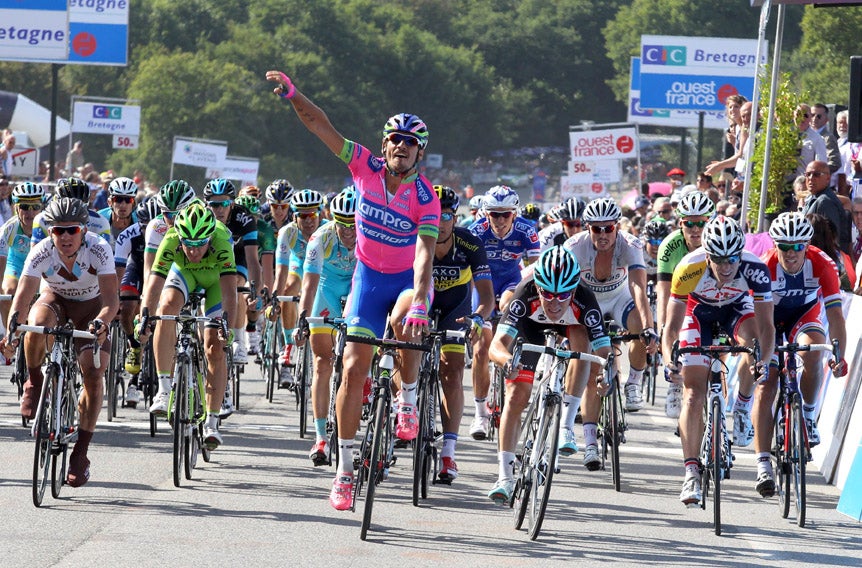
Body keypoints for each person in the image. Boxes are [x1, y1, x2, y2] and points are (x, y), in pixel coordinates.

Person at [265, 69, 440, 511]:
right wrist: (295, 95)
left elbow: (424, 255)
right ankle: (344, 471)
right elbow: (321, 126)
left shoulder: (426, 196)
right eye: (394, 139)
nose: (401, 145)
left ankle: (410, 397)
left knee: (407, 319)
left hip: (406, 283)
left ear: (421, 151)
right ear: (384, 145)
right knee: (352, 368)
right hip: (367, 281)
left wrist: (420, 299)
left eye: (410, 141)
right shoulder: (363, 165)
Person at [662, 215, 774, 507]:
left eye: (732, 260)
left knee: (754, 346)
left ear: (741, 253)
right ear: (708, 254)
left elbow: (767, 328)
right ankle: (690, 472)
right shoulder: (689, 267)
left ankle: (742, 405)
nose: (726, 267)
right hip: (698, 313)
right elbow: (670, 327)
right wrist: (669, 360)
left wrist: (763, 359)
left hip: (736, 309)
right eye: (719, 260)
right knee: (693, 392)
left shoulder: (756, 268)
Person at [4, 198, 118, 487]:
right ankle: (34, 381)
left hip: (92, 308)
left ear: (82, 230)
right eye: (58, 231)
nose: (65, 236)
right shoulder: (41, 251)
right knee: (37, 325)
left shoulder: (99, 249)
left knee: (93, 374)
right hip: (56, 300)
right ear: (51, 232)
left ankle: (80, 453)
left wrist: (103, 323)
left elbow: (112, 300)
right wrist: (11, 331)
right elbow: (23, 295)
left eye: (72, 230)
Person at [486, 246, 610, 503]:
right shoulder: (525, 292)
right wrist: (508, 361)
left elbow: (603, 352)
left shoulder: (585, 298)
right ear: (537, 287)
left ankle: (565, 424)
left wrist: (603, 376)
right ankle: (505, 477)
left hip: (571, 327)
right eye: (547, 294)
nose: (554, 302)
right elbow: (496, 346)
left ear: (574, 290)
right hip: (530, 326)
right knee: (516, 395)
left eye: (563, 295)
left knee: (581, 338)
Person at [752, 212, 848, 497]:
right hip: (769, 320)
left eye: (797, 246)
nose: (791, 253)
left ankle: (806, 414)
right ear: (775, 245)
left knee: (814, 351)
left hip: (803, 316)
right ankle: (762, 463)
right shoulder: (764, 267)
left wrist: (838, 353)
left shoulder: (822, 264)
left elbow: (836, 316)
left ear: (807, 245)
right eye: (784, 246)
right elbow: (762, 321)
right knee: (766, 383)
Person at [561, 197, 656, 470]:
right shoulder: (574, 247)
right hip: (587, 301)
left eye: (608, 228)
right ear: (587, 228)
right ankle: (590, 442)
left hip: (618, 299)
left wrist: (648, 328)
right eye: (596, 229)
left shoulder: (631, 245)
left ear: (617, 227)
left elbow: (639, 288)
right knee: (591, 368)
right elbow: (566, 290)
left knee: (639, 324)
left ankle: (634, 382)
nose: (603, 235)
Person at [139, 202, 237, 449]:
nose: (194, 251)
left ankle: (212, 423)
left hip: (215, 281)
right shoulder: (171, 238)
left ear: (209, 238)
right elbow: (155, 282)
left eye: (200, 244)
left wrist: (228, 326)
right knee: (166, 307)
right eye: (188, 245)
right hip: (185, 275)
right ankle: (163, 389)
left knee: (215, 346)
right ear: (180, 237)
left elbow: (229, 290)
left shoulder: (222, 239)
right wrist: (145, 317)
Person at [428, 185, 495, 481]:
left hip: (456, 309)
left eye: (445, 215)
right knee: (402, 354)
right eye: (432, 214)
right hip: (423, 304)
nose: (439, 222)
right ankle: (399, 413)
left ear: (455, 218)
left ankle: (448, 453)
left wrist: (479, 319)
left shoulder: (470, 244)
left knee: (452, 374)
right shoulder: (416, 240)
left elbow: (487, 297)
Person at [467, 184, 540, 440]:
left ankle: (509, 341)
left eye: (505, 214)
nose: (499, 220)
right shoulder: (476, 231)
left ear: (514, 214)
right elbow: (465, 270)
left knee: (508, 303)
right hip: (482, 282)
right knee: (480, 348)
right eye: (494, 214)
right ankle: (480, 413)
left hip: (511, 280)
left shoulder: (526, 232)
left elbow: (535, 269)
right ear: (485, 214)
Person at [295, 188, 358, 465]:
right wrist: (302, 318)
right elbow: (309, 283)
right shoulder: (320, 238)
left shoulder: (370, 236)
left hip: (357, 289)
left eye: (353, 223)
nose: (348, 230)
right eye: (342, 223)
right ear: (332, 219)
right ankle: (320, 437)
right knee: (321, 362)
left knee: (360, 359)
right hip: (327, 291)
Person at [654, 191, 715, 418]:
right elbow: (663, 291)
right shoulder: (670, 246)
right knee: (676, 331)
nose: (696, 229)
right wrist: (664, 330)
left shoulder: (719, 241)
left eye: (701, 223)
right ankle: (675, 380)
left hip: (712, 298)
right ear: (681, 223)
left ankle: (717, 386)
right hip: (681, 297)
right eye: (689, 224)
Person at [203, 178, 261, 368]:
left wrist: (255, 290)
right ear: (207, 204)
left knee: (235, 286)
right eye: (214, 204)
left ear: (233, 203)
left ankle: (238, 340)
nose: (219, 209)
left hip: (237, 259)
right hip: (210, 260)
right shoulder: (202, 218)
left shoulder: (244, 219)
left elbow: (253, 259)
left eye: (225, 204)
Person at [274, 188, 324, 386]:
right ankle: (288, 344)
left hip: (322, 271)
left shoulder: (327, 230)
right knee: (289, 289)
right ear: (295, 216)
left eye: (313, 214)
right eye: (303, 215)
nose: (309, 220)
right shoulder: (287, 232)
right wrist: (275, 298)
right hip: (298, 266)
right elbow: (281, 271)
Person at [115, 197, 162, 406]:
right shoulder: (128, 235)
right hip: (136, 269)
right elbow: (118, 271)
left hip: (162, 271)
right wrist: (115, 299)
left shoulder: (170, 233)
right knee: (127, 306)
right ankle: (134, 346)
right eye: (145, 226)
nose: (150, 230)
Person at [0, 182, 45, 328]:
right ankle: (10, 337)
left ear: (42, 207)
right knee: (7, 293)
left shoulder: (48, 227)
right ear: (15, 206)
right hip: (16, 266)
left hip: (42, 269)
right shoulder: (8, 229)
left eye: (35, 207)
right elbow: (1, 264)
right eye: (24, 207)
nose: (30, 213)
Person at [31, 177, 112, 247]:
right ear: (56, 202)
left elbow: (104, 260)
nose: (72, 212)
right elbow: (35, 256)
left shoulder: (100, 223)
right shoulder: (42, 219)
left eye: (78, 207)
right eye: (66, 206)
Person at [802, 160, 850, 254]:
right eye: (808, 174)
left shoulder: (825, 202)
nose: (811, 178)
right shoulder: (813, 197)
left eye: (816, 174)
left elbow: (831, 240)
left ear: (828, 178)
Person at [99, 176, 138, 243]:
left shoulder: (140, 222)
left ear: (134, 203)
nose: (123, 205)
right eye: (118, 199)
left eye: (128, 200)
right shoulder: (99, 218)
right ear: (110, 202)